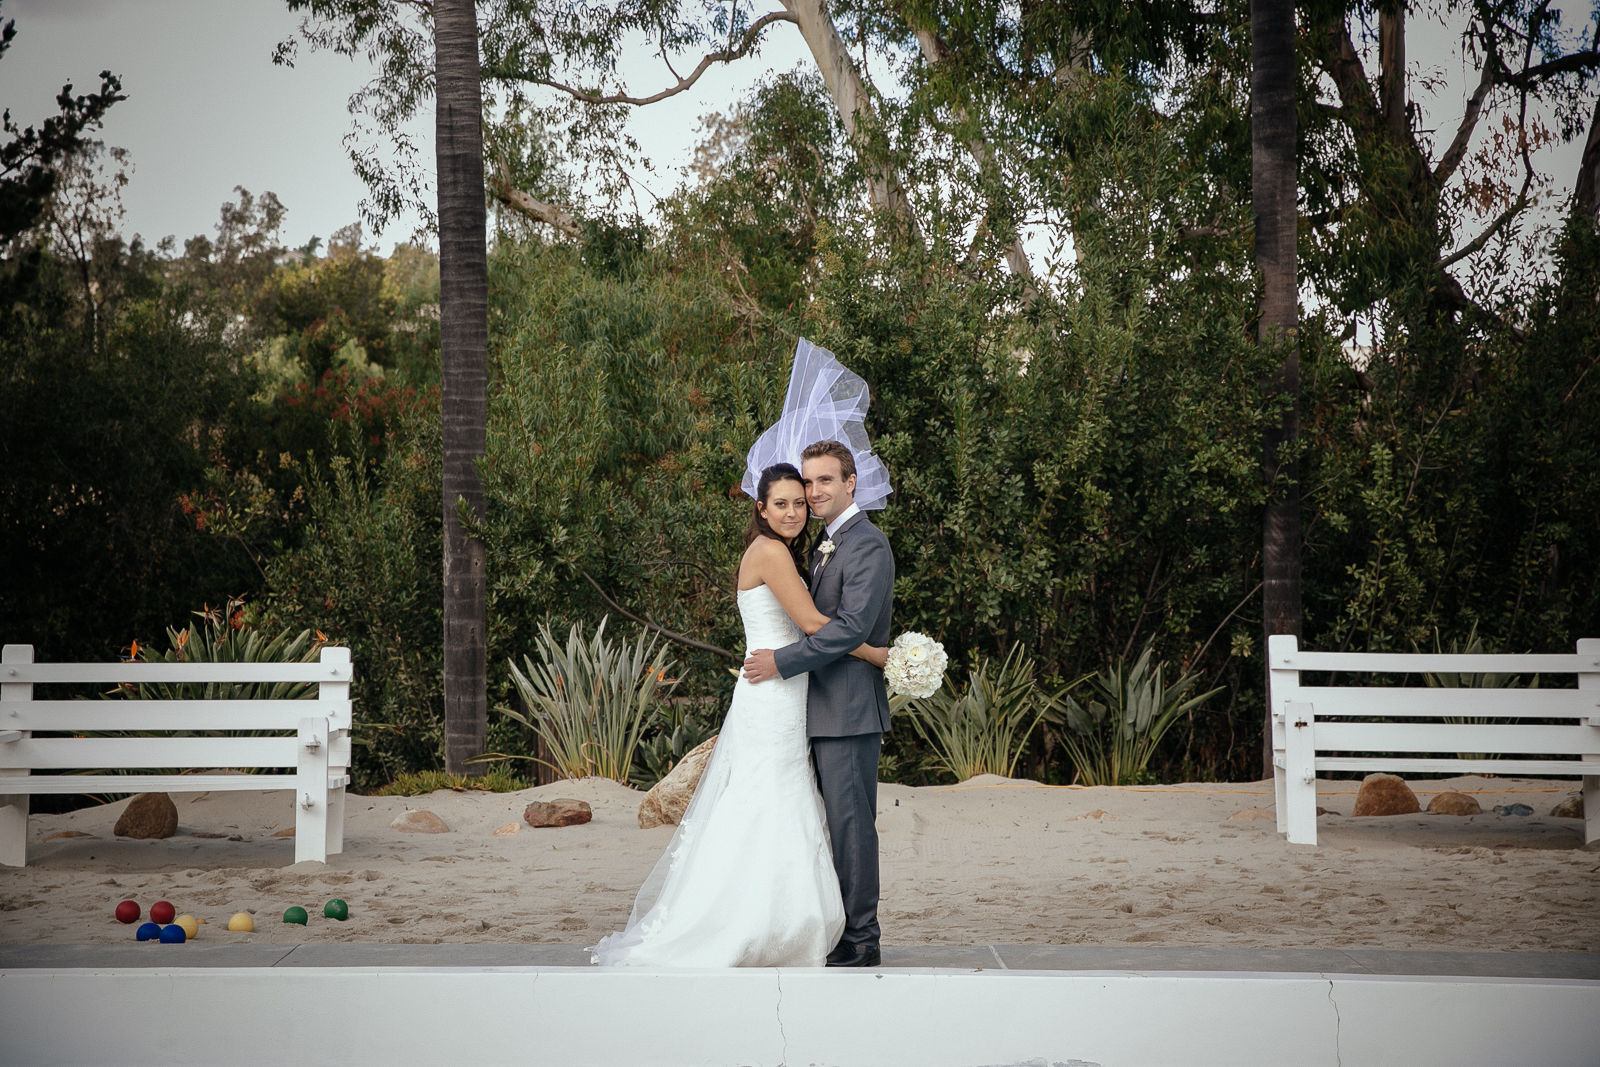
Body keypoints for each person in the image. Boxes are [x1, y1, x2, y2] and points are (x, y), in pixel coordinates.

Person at [588, 462, 887, 967]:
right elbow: (815, 622)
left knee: (782, 802)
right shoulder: (771, 552)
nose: (796, 509)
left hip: (790, 695)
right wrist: (883, 656)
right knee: (766, 801)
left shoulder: (797, 550)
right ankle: (758, 921)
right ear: (761, 508)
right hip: (773, 691)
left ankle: (789, 921)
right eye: (784, 502)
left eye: (802, 499)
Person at [743, 439, 895, 968]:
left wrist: (782, 662)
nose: (813, 491)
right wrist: (873, 652)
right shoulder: (822, 543)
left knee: (852, 826)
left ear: (852, 482)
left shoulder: (867, 545)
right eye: (808, 482)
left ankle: (861, 939)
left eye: (825, 480)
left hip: (848, 709)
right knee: (823, 825)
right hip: (814, 706)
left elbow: (848, 627)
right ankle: (833, 928)